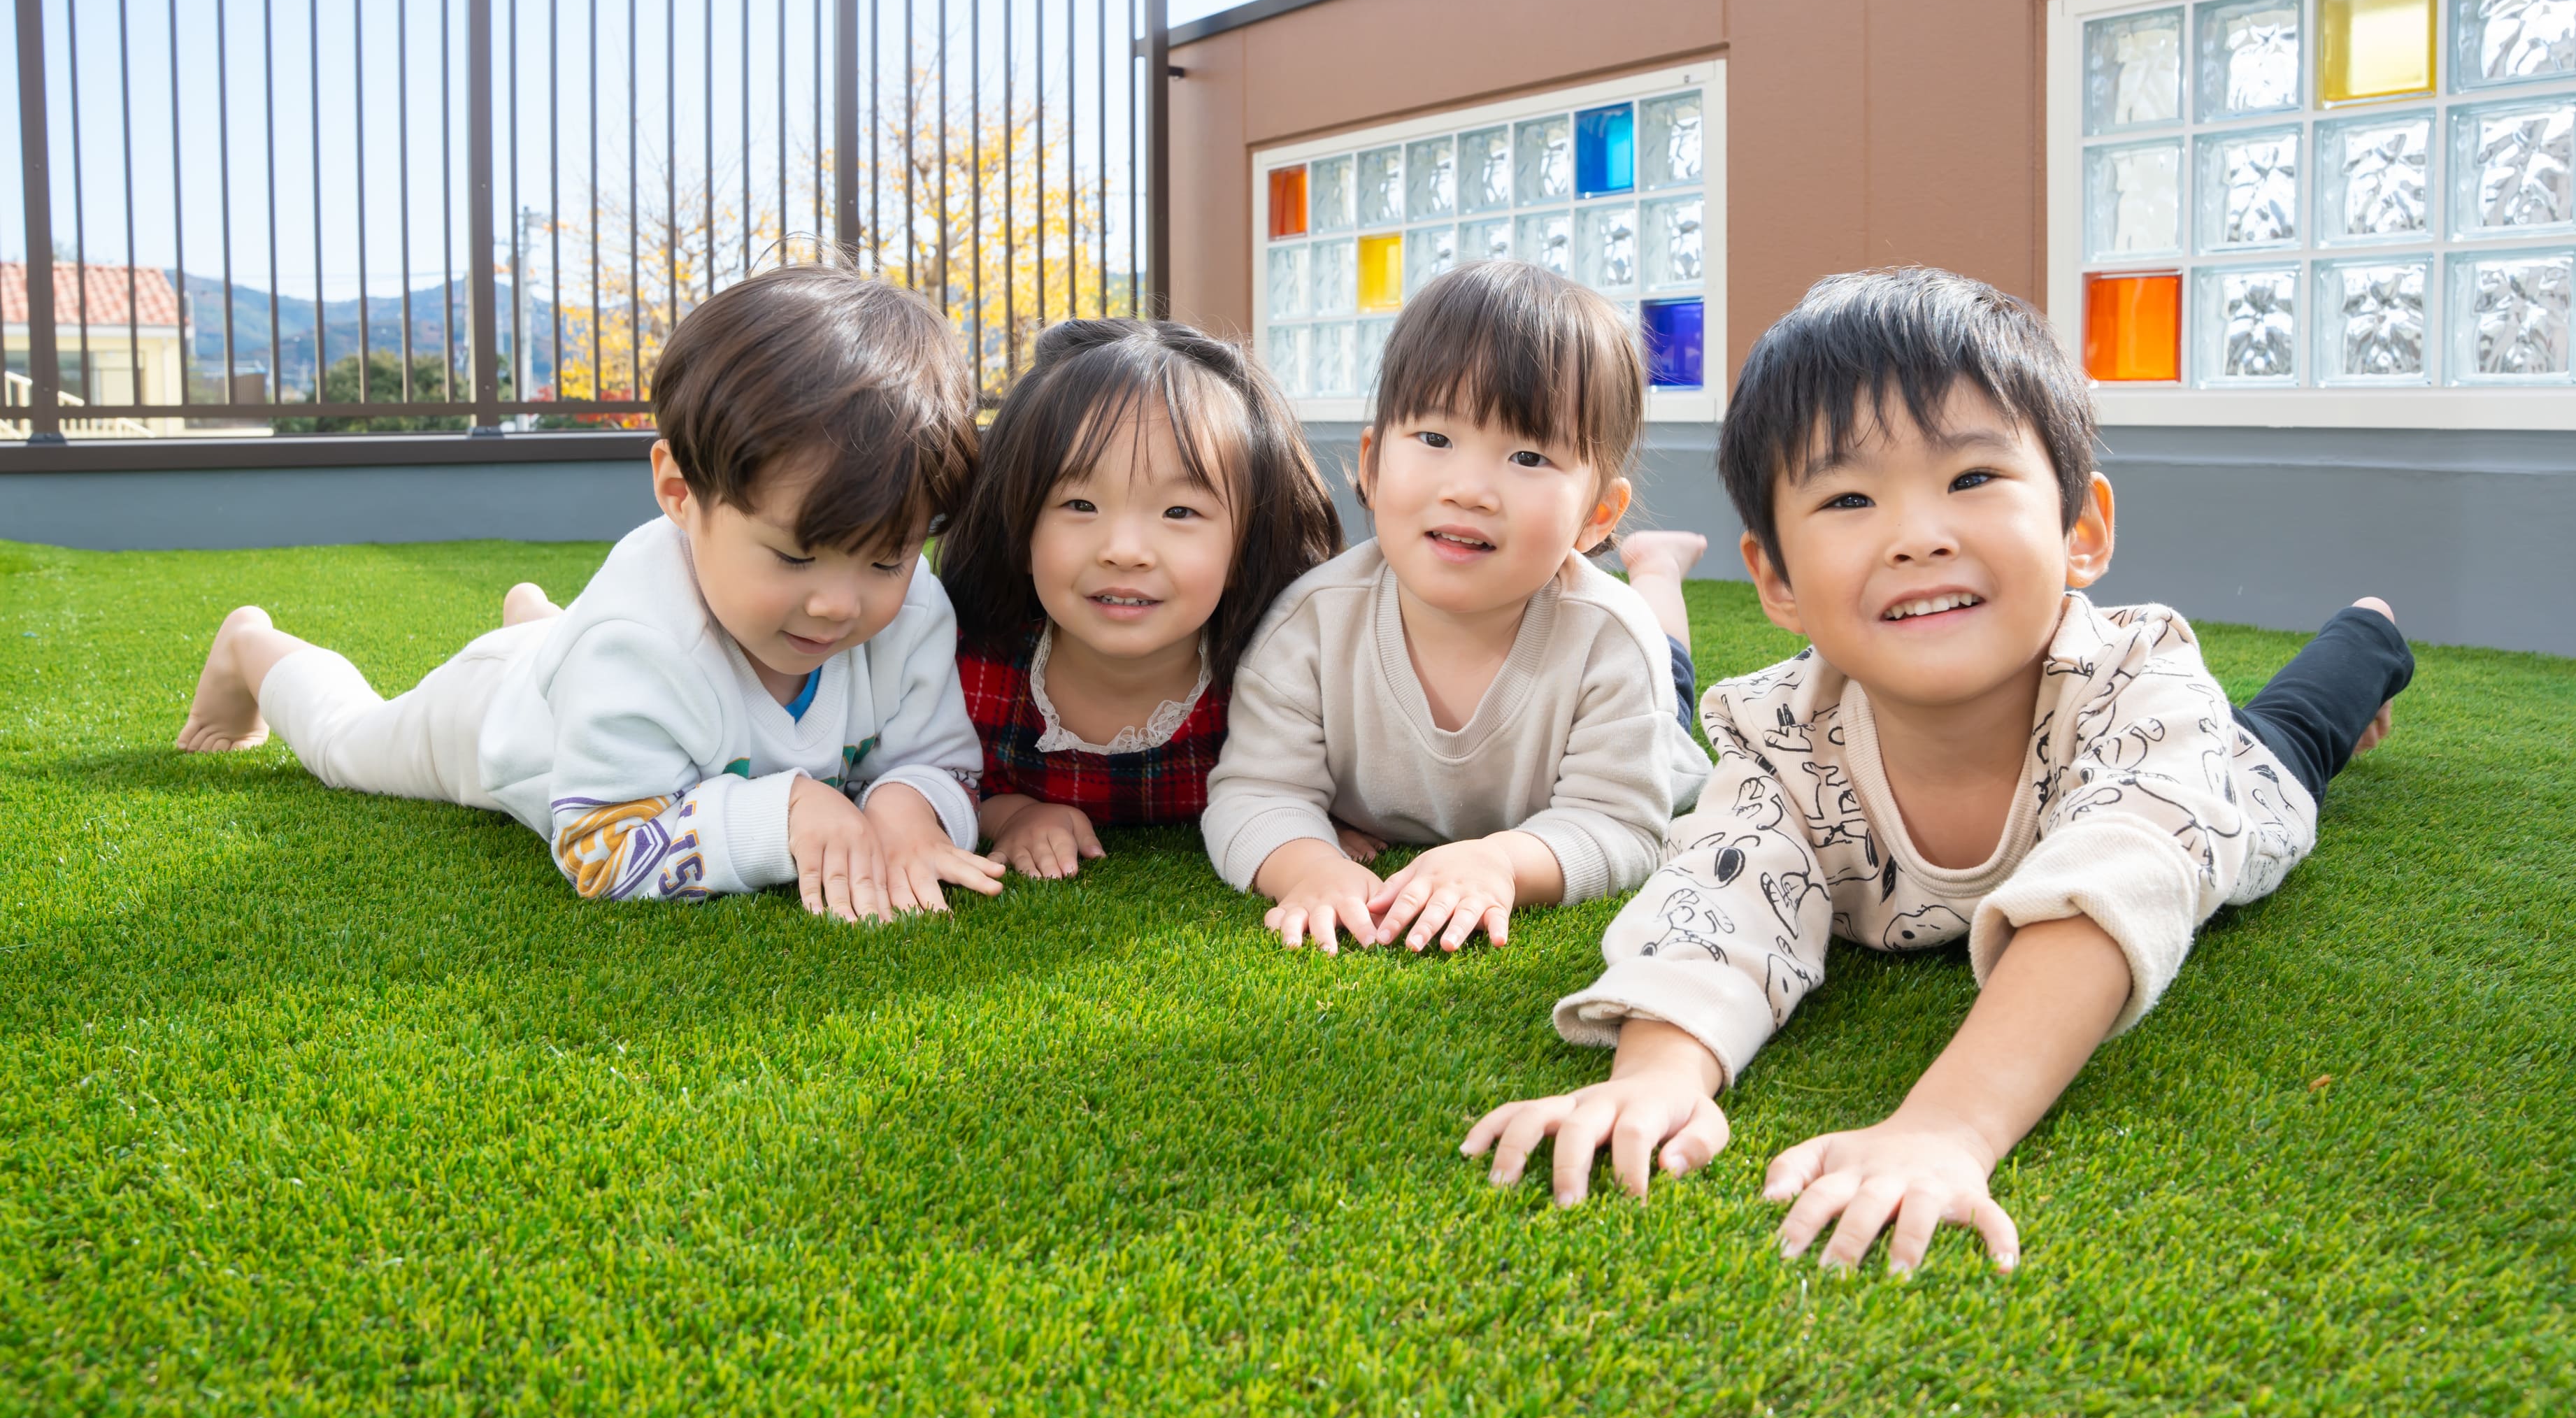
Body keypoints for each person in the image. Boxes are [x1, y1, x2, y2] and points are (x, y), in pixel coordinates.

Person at [1463, 267, 2414, 1275]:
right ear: (1776, 577)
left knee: (2294, 732)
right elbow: (1718, 892)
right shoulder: (1778, 730)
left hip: (2231, 785)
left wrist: (1948, 1127)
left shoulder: (2140, 679)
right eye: (1848, 497)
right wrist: (1658, 1070)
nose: (1918, 535)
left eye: (1970, 479)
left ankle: (2371, 633)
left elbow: (2107, 885)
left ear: (2080, 530)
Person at [174, 259, 1006, 923]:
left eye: (885, 561)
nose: (839, 603)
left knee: (578, 644)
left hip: (589, 664)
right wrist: (783, 812)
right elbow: (601, 848)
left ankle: (542, 623)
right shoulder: (636, 643)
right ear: (680, 494)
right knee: (347, 747)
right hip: (498, 718)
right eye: (794, 558)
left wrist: (907, 809)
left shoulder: (915, 611)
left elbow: (937, 760)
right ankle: (254, 648)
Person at [1203, 262, 1716, 954]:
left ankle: (1654, 567)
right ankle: (1648, 561)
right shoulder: (1310, 627)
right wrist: (1311, 866)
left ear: (1597, 516)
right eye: (1436, 440)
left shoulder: (1613, 644)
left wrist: (1501, 862)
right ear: (1374, 464)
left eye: (1529, 457)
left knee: (1666, 655)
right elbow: (1256, 792)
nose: (1470, 489)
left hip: (1642, 705)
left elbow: (1621, 824)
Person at [940, 319, 1343, 878]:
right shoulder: (972, 667)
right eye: (1080, 503)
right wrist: (1013, 815)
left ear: (1247, 544)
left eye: (1179, 512)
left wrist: (1317, 815)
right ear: (1019, 525)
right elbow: (932, 775)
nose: (1124, 551)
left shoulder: (1285, 677)